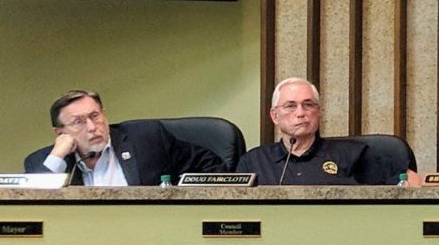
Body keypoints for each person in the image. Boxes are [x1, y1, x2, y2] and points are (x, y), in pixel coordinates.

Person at [20, 91, 224, 186]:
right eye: (78, 122)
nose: (92, 127)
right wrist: (58, 155)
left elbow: (211, 167)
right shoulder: (43, 161)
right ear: (60, 132)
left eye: (94, 116)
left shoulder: (147, 139)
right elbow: (31, 204)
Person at [233, 77, 389, 185]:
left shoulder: (354, 154)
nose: (300, 113)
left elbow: (405, 182)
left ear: (319, 111)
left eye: (308, 105)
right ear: (275, 116)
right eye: (290, 106)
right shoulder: (253, 161)